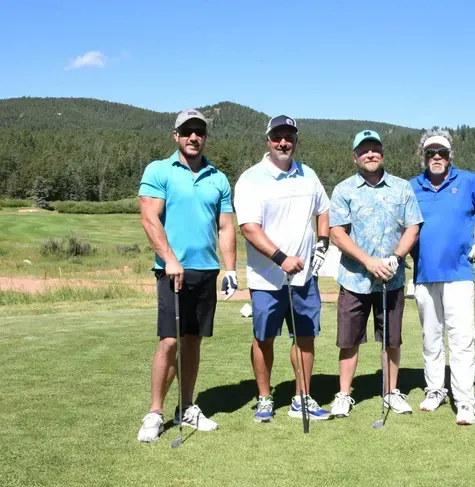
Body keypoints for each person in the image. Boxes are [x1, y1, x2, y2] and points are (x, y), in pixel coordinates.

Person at [137, 109, 237, 442]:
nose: (194, 137)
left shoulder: (217, 177)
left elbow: (225, 226)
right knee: (169, 341)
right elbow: (150, 218)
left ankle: (187, 406)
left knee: (193, 341)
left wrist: (231, 268)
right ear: (176, 135)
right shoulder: (160, 170)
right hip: (171, 271)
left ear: (205, 136)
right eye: (187, 131)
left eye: (200, 132)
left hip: (206, 271)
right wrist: (169, 259)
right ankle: (154, 412)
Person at [234, 115, 332, 423]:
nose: (283, 142)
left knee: (305, 336)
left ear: (295, 140)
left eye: (289, 136)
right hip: (266, 277)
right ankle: (265, 398)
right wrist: (282, 258)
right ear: (268, 140)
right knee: (264, 337)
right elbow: (249, 228)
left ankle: (301, 397)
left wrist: (323, 242)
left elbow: (323, 209)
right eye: (278, 136)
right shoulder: (251, 179)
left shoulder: (308, 175)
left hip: (304, 276)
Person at [409, 128, 475, 425]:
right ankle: (435, 390)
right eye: (430, 153)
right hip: (425, 275)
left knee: (462, 339)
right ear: (423, 157)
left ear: (450, 155)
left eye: (441, 152)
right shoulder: (412, 186)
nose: (436, 157)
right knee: (431, 338)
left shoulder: (467, 181)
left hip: (459, 274)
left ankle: (465, 401)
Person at [329, 130, 423, 418]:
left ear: (382, 153)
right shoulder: (344, 189)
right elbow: (337, 234)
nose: (370, 154)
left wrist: (396, 258)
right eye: (364, 150)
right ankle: (344, 394)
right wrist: (368, 261)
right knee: (349, 341)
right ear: (355, 156)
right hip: (354, 279)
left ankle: (390, 392)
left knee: (391, 340)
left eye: (375, 149)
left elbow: (413, 227)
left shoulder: (401, 188)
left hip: (391, 280)